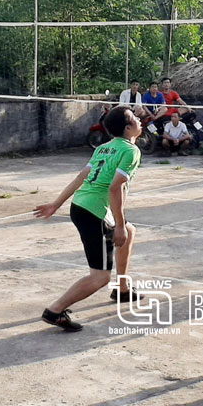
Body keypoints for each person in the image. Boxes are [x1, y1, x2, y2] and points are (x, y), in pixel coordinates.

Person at [33, 106, 143, 331]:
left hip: (81, 205)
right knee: (99, 277)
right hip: (95, 213)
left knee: (130, 232)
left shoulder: (104, 147)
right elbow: (115, 189)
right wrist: (118, 226)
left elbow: (81, 177)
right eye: (135, 117)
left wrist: (56, 204)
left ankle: (122, 290)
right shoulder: (131, 152)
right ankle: (54, 311)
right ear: (128, 127)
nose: (140, 119)